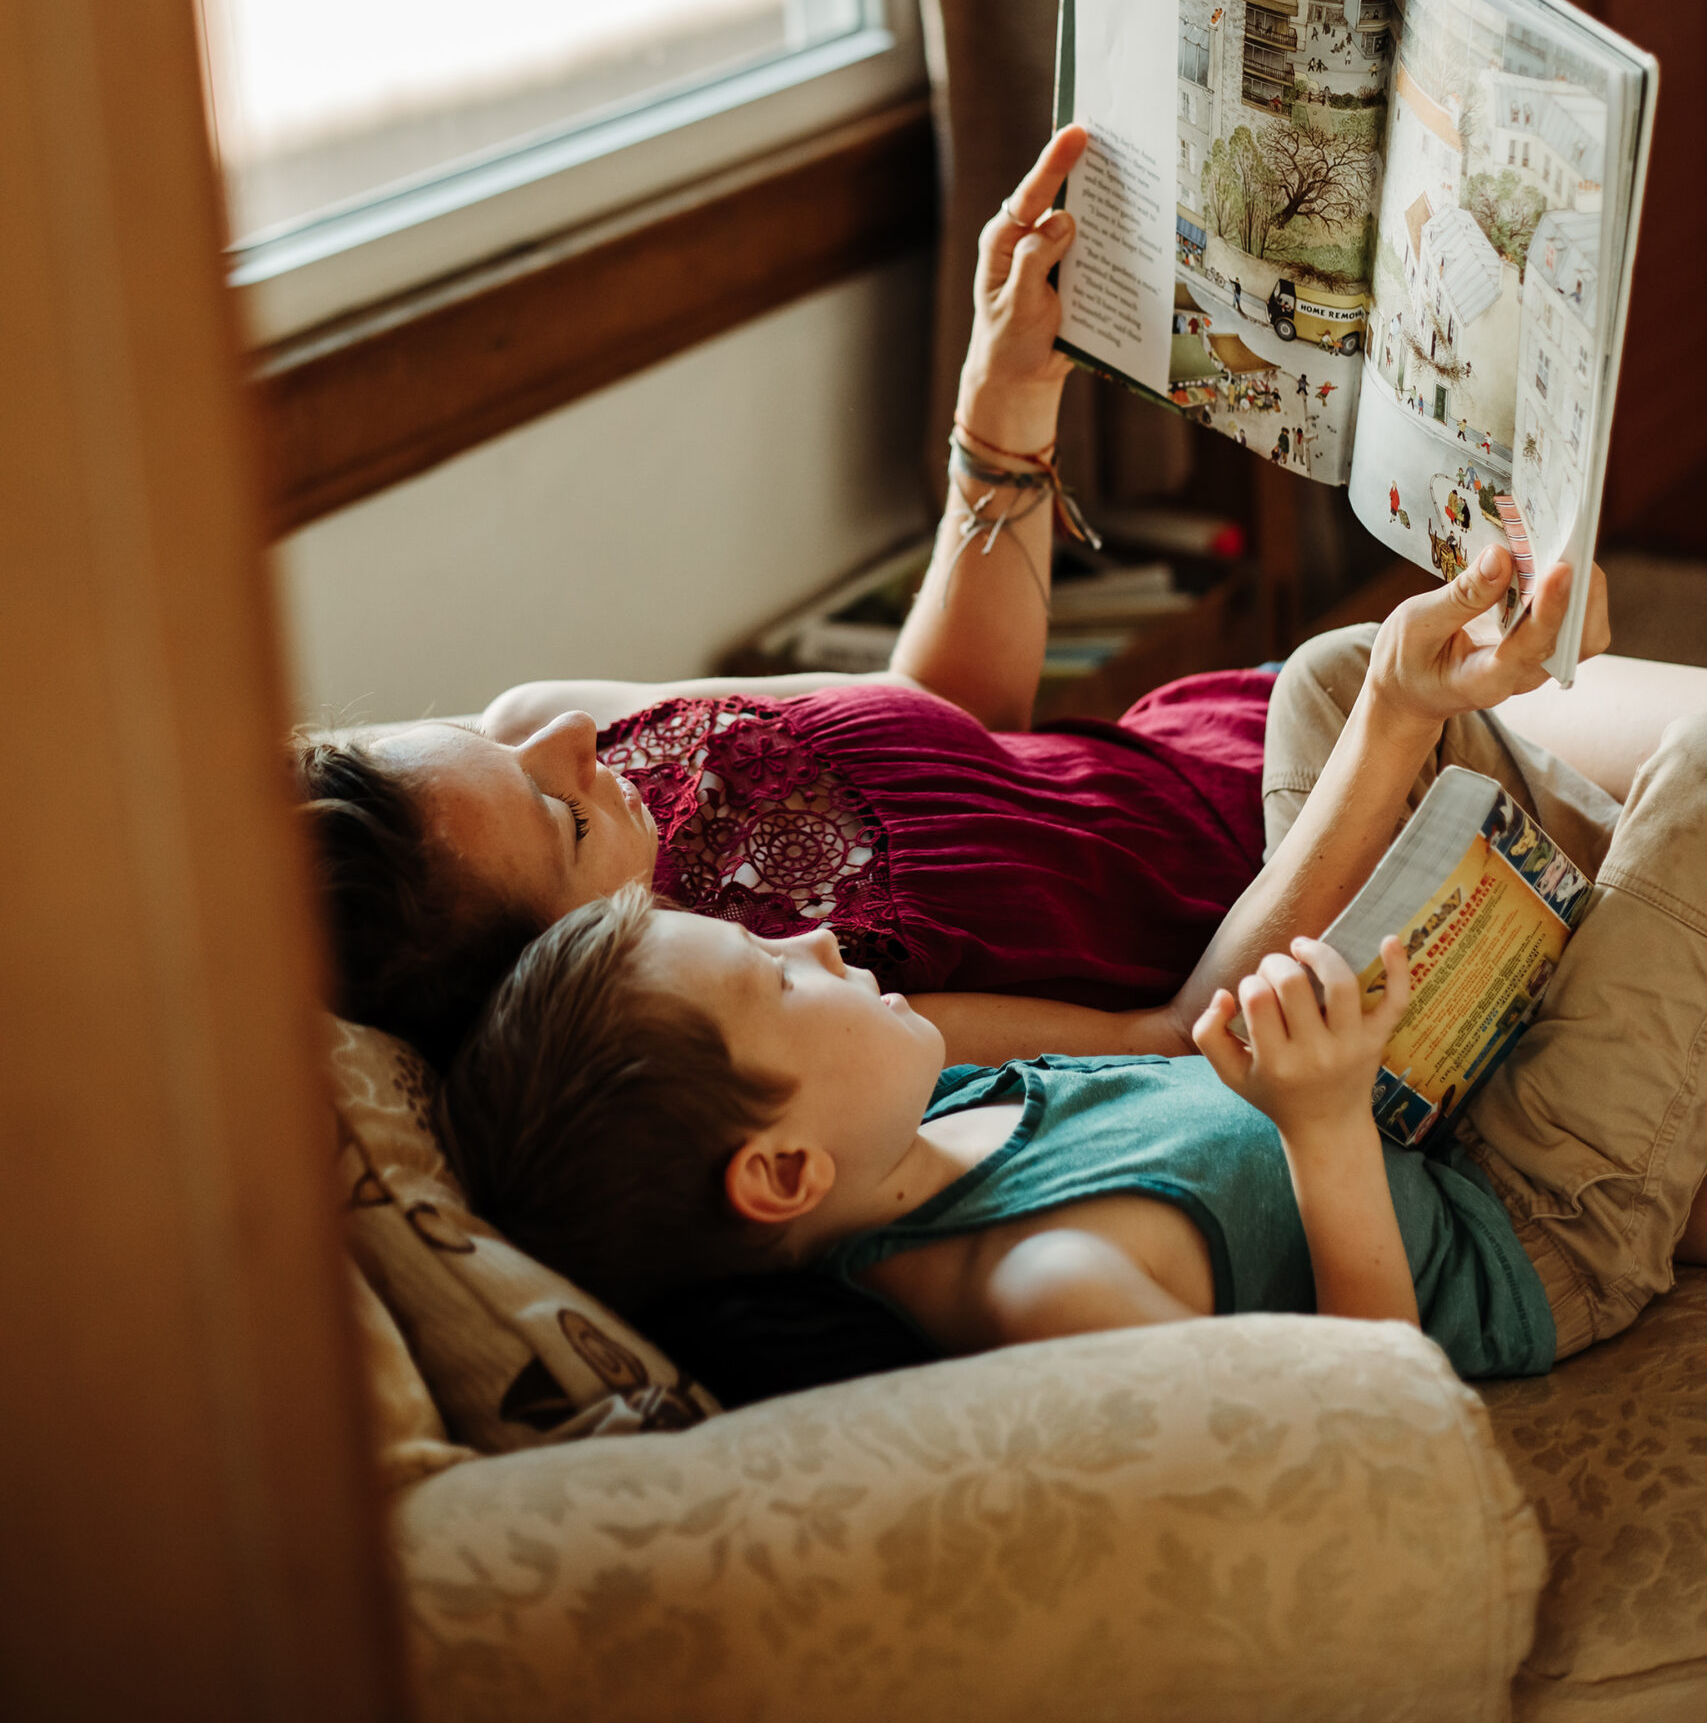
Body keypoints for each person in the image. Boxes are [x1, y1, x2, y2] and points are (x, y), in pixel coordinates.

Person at [441, 567, 1707, 1383]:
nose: (817, 943)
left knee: (1339, 669)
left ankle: (1637, 931)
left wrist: (1392, 715)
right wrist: (1321, 1126)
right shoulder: (1049, 1291)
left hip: (1417, 1098)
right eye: (776, 979)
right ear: (780, 1171)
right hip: (1524, 1219)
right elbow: (1371, 1419)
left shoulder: (909, 1110)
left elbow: (1168, 1048)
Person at [300, 125, 1284, 1071]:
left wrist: (1005, 393)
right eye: (566, 822)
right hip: (1307, 894)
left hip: (1229, 732)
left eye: (479, 744)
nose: (562, 736)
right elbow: (1179, 1033)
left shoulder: (569, 738)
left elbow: (961, 726)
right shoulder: (765, 1016)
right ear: (569, 970)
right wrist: (1378, 741)